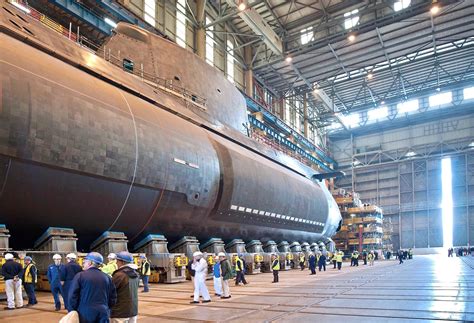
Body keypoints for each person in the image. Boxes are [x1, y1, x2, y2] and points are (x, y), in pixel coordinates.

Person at [69, 252, 117, 322]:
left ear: (90, 263)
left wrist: (73, 310)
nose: (83, 264)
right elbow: (113, 297)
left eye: (85, 262)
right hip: (103, 311)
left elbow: (72, 295)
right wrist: (106, 307)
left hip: (85, 312)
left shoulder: (80, 276)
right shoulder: (107, 277)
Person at [110, 251, 139, 323]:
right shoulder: (136, 274)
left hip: (120, 312)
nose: (116, 263)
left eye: (117, 261)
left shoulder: (120, 275)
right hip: (133, 310)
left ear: (122, 262)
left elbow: (110, 290)